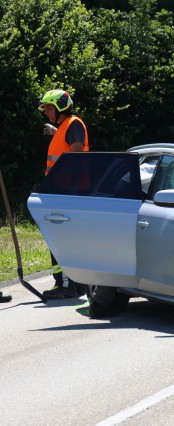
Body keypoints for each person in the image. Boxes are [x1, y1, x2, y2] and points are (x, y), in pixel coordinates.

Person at [38, 89, 89, 299]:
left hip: (66, 191)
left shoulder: (74, 124)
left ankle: (64, 285)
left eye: (49, 108)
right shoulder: (66, 127)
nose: (47, 112)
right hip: (64, 191)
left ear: (60, 106)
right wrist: (55, 131)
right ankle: (77, 285)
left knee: (58, 237)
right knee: (67, 238)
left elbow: (75, 154)